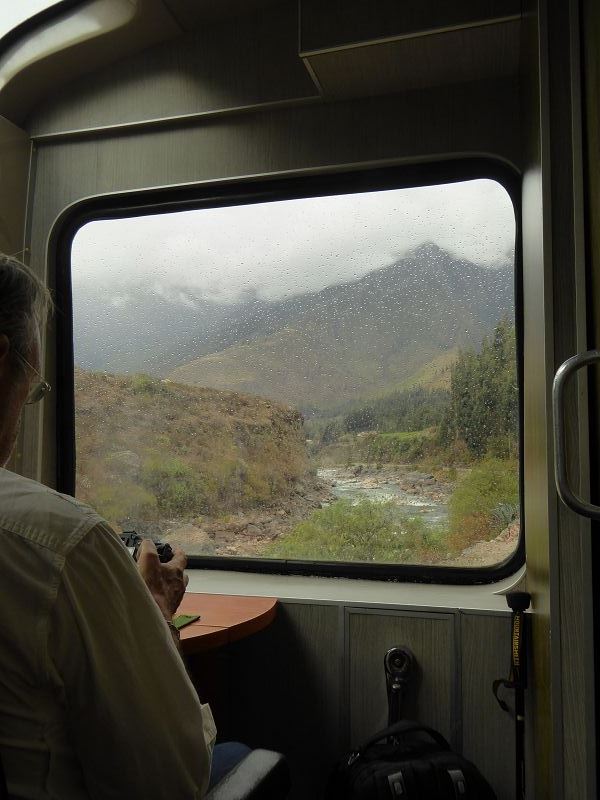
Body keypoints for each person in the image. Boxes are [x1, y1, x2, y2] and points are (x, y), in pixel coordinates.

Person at [0, 254, 248, 798]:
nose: (25, 411)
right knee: (243, 759)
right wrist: (156, 615)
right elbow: (170, 779)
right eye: (33, 387)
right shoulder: (63, 545)